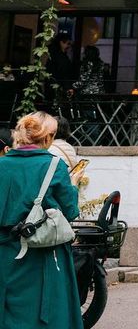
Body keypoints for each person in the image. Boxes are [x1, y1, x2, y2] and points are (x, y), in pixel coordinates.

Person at [0, 112, 83, 329]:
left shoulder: (2, 164)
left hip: (3, 252)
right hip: (42, 252)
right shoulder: (54, 166)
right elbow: (70, 210)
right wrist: (73, 185)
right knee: (44, 313)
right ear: (47, 138)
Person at [44, 32, 76, 109]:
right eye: (68, 44)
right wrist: (68, 86)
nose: (69, 46)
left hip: (53, 85)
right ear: (61, 42)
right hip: (59, 87)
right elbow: (64, 72)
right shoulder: (60, 57)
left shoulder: (54, 54)